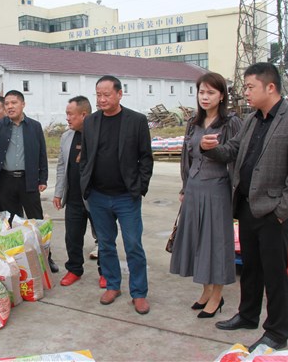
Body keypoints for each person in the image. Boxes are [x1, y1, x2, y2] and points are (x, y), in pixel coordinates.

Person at [200, 62, 288, 352]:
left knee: (275, 274)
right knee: (251, 268)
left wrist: (282, 212)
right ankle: (248, 315)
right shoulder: (252, 119)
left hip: (274, 213)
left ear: (270, 87)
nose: (246, 92)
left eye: (251, 87)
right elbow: (232, 150)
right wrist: (209, 148)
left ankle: (277, 331)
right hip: (247, 207)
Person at [169, 72, 242, 318]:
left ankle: (217, 295)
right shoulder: (193, 122)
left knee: (215, 243)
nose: (205, 97)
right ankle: (206, 290)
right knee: (198, 241)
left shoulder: (231, 122)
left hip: (217, 189)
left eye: (211, 92)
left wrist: (236, 191)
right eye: (201, 92)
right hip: (194, 187)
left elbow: (235, 155)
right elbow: (186, 157)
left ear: (222, 96)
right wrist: (184, 186)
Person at [80, 75, 153, 314]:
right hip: (98, 196)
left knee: (133, 245)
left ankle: (139, 293)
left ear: (119, 94)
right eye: (98, 95)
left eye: (106, 94)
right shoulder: (91, 122)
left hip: (126, 197)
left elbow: (146, 158)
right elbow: (86, 157)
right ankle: (113, 285)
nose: (101, 99)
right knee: (106, 244)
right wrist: (85, 185)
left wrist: (140, 187)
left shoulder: (136, 121)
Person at [0, 90, 58, 273]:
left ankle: (46, 258)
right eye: (7, 103)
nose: (10, 106)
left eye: (14, 103)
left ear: (23, 104)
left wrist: (43, 178)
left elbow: (42, 153)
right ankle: (17, 260)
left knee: (36, 221)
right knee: (11, 222)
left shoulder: (34, 126)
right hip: (5, 181)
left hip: (28, 180)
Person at [53, 96, 104, 287]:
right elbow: (61, 166)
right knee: (72, 237)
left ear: (84, 115)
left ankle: (105, 271)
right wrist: (58, 192)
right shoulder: (67, 137)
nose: (67, 118)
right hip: (74, 197)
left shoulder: (99, 135)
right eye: (66, 114)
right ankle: (74, 269)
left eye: (70, 114)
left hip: (96, 197)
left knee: (104, 237)